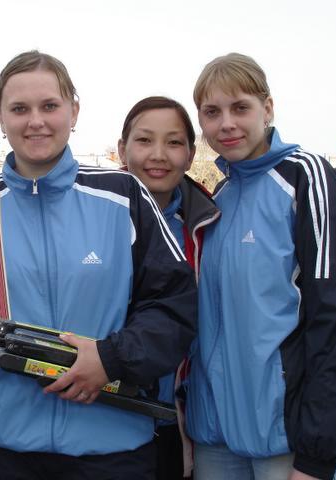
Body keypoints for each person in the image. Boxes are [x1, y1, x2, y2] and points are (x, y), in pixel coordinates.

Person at [0, 50, 198, 480]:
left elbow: (174, 306)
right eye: (19, 109)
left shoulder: (123, 195)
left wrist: (110, 359)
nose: (35, 121)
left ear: (74, 110)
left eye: (49, 106)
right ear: (1, 118)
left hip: (108, 449)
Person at [184, 53, 336, 480]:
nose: (226, 124)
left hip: (286, 439)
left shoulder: (305, 176)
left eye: (240, 108)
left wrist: (318, 454)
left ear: (267, 108)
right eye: (212, 112)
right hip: (215, 435)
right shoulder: (220, 197)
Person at [118, 96, 220, 479]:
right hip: (106, 414)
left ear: (191, 155)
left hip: (184, 419)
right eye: (144, 140)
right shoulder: (92, 217)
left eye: (174, 142)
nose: (158, 155)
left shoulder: (210, 226)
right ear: (122, 149)